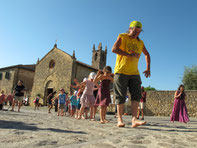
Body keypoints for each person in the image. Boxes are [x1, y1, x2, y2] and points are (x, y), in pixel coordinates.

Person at [112, 20, 151, 127]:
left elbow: (147, 54)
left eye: (138, 32)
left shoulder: (140, 42)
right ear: (130, 29)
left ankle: (134, 119)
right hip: (121, 71)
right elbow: (114, 49)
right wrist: (129, 54)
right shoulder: (122, 37)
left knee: (137, 95)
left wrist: (148, 68)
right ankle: (120, 120)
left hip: (134, 72)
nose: (136, 34)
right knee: (120, 96)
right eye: (134, 32)